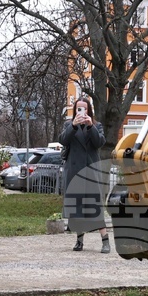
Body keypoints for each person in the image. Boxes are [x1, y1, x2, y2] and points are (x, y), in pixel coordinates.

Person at [59, 98, 110, 253]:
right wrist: (73, 126)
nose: (82, 111)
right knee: (77, 207)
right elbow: (62, 140)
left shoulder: (96, 125)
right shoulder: (69, 125)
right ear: (75, 110)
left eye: (85, 109)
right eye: (79, 108)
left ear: (89, 110)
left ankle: (105, 241)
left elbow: (100, 142)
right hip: (74, 171)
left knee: (95, 207)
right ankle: (79, 241)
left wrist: (90, 126)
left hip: (90, 171)